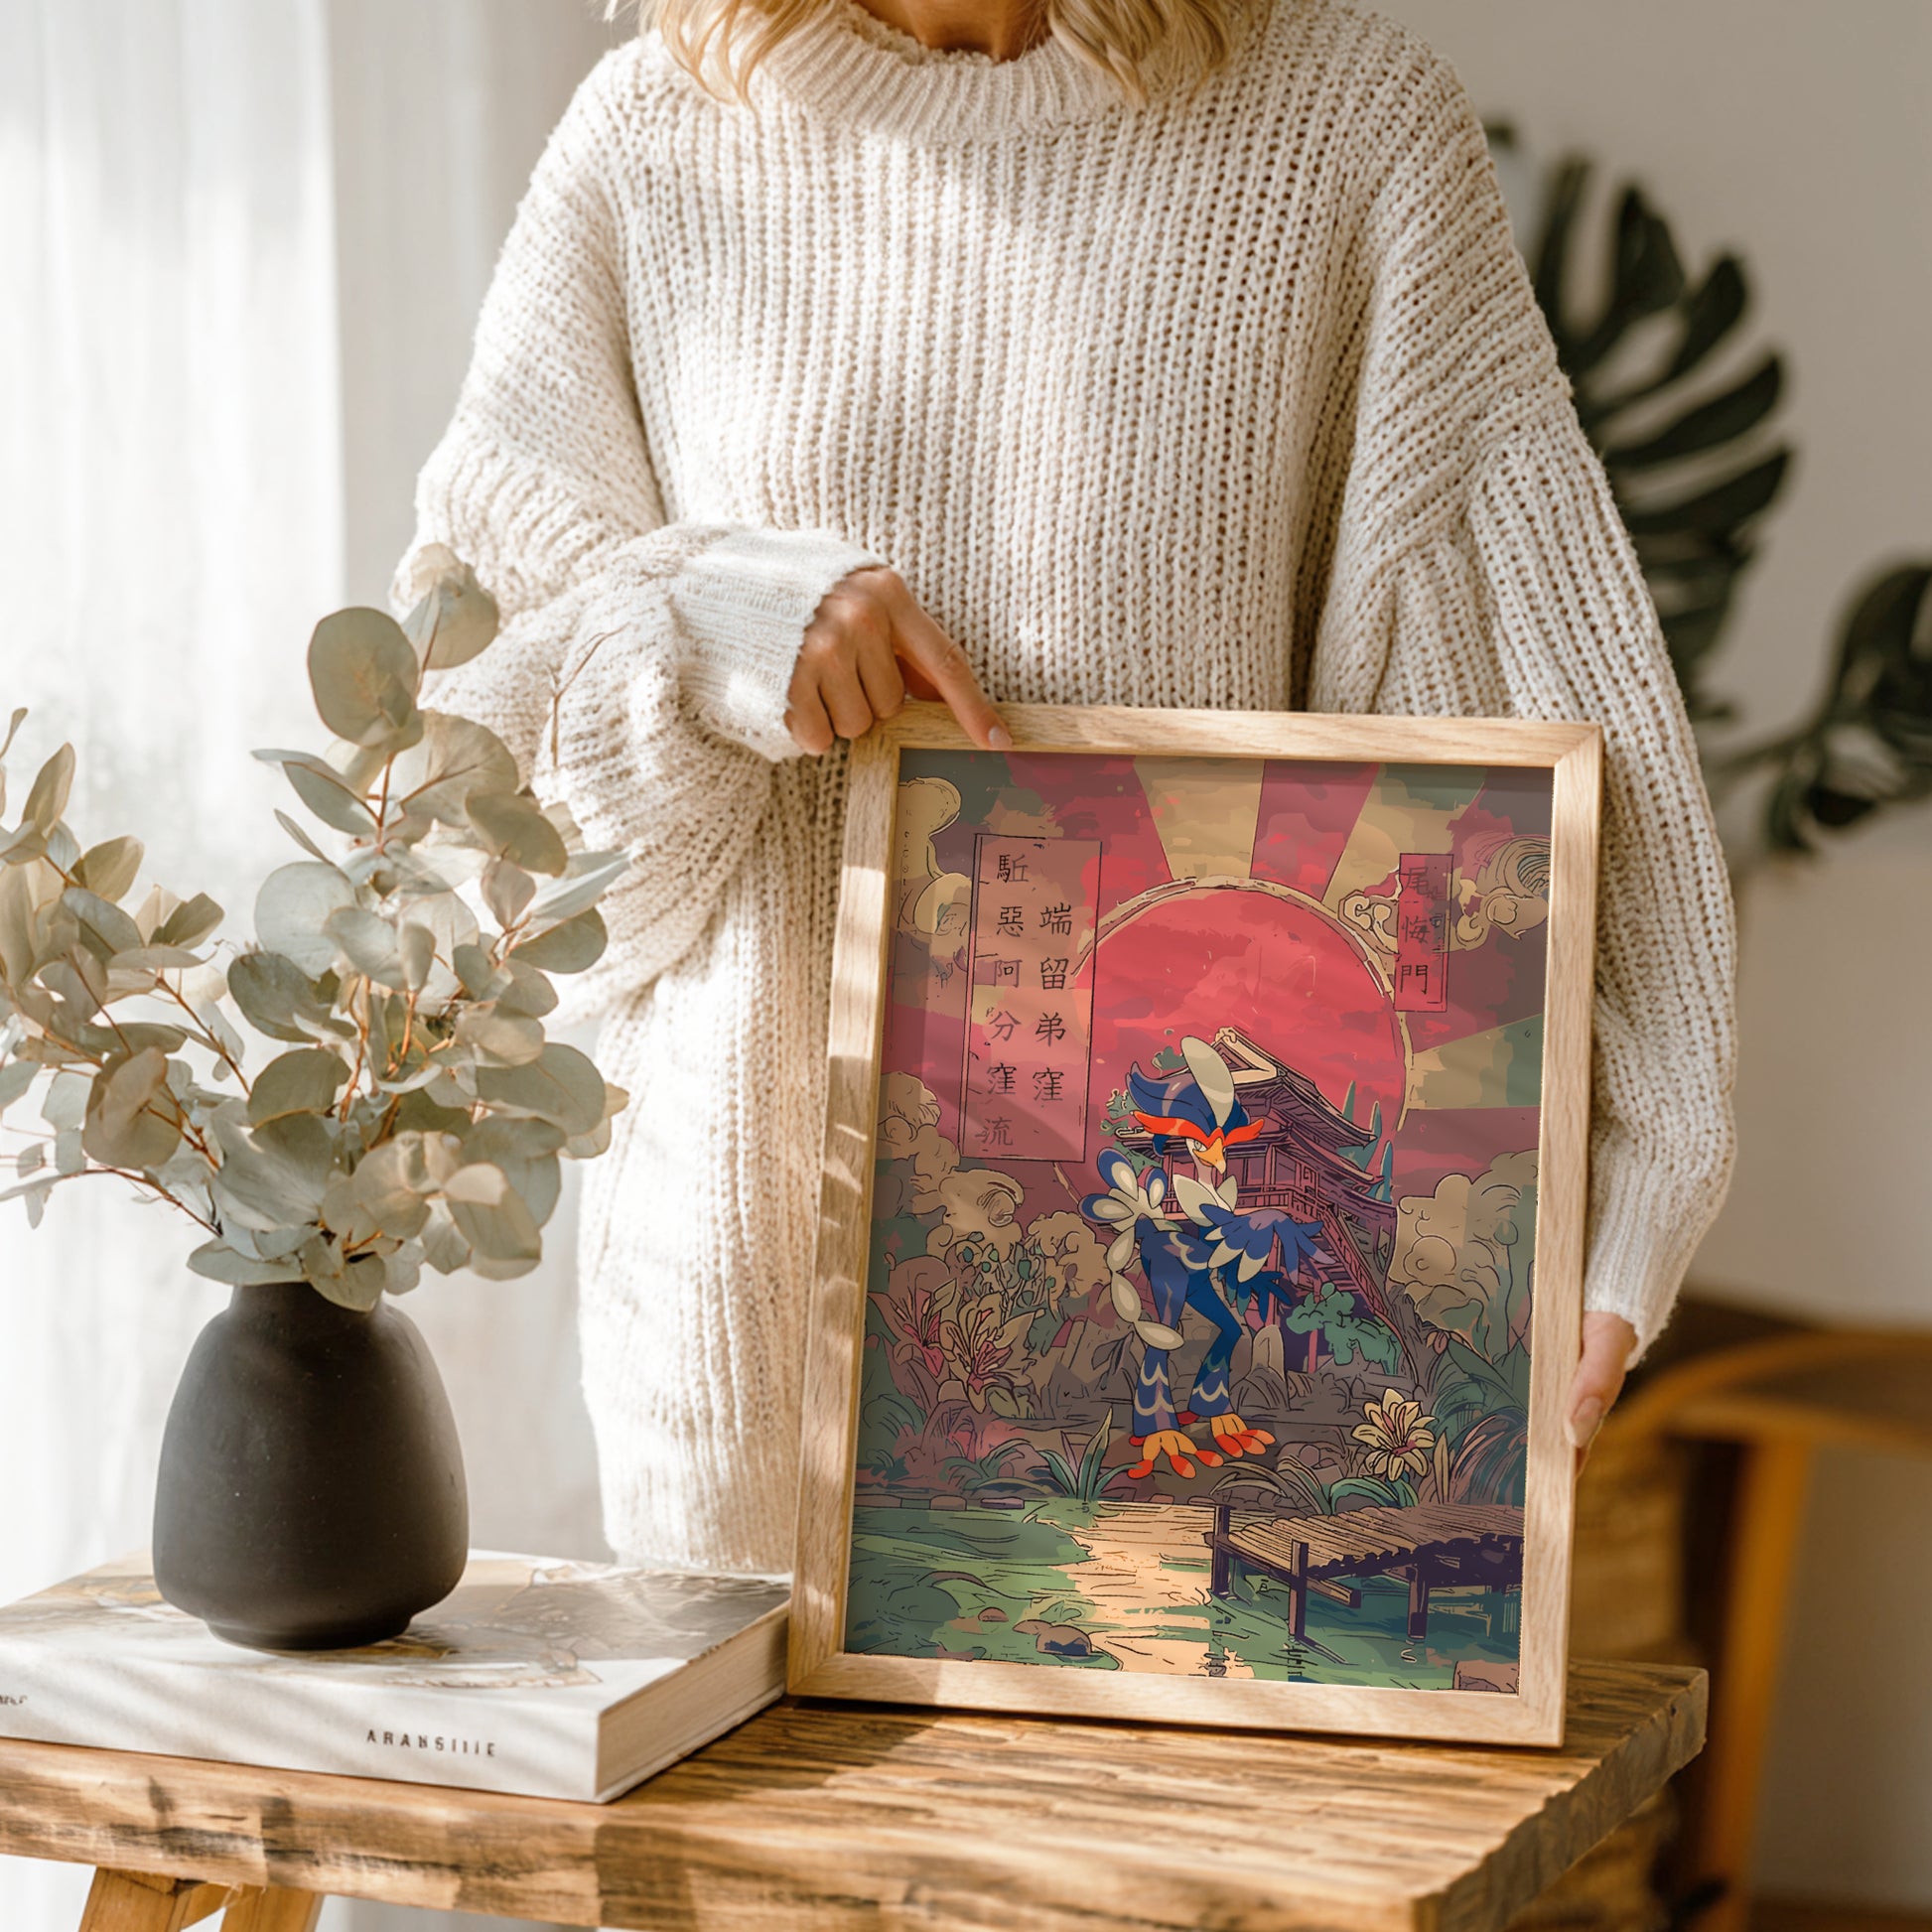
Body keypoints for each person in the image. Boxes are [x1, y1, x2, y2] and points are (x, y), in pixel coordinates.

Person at [394, 0, 1736, 1576]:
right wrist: (706, 620)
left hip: (1205, 1352)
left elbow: (1518, 702)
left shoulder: (1344, 128)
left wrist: (1629, 1170)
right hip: (739, 1345)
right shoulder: (649, 141)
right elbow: (466, 817)